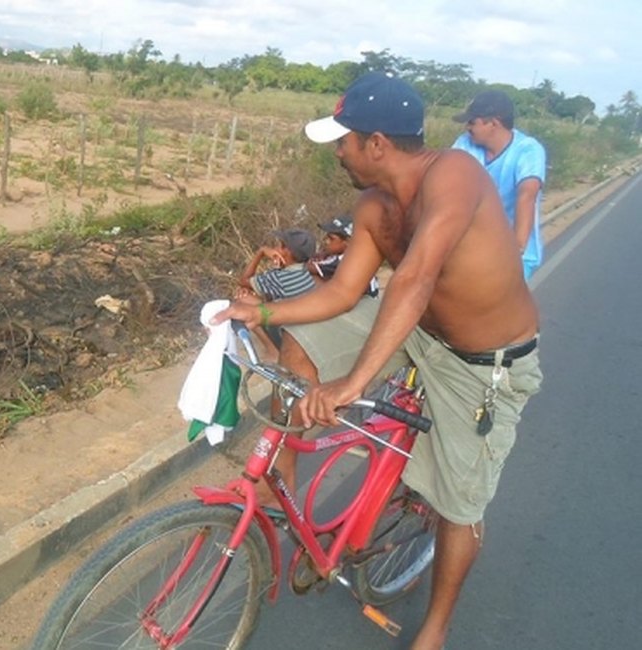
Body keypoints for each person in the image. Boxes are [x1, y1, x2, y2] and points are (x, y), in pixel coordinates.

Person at [212, 71, 543, 650]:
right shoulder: (372, 206)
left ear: (377, 144)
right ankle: (283, 476)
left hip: (481, 363)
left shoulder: (456, 175)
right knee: (301, 345)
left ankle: (435, 628)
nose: (337, 153)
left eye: (343, 140)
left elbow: (414, 277)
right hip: (419, 331)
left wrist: (351, 383)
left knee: (458, 504)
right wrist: (260, 316)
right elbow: (342, 294)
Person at [452, 90, 547, 280]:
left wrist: (513, 251)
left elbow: (526, 197)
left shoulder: (528, 150)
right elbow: (449, 185)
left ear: (493, 123)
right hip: (469, 249)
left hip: (512, 252)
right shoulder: (465, 144)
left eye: (472, 122)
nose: (467, 128)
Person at [234, 228, 317, 360]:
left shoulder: (279, 278)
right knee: (256, 296)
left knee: (242, 301)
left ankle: (273, 350)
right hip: (305, 321)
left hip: (291, 329)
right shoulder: (305, 270)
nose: (276, 248)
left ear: (287, 252)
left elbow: (243, 281)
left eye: (280, 245)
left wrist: (260, 253)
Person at [307, 214, 380, 297]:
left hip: (365, 303)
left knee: (313, 278)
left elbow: (310, 268)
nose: (326, 241)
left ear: (348, 243)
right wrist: (325, 254)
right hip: (365, 300)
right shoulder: (356, 255)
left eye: (331, 239)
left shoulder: (345, 261)